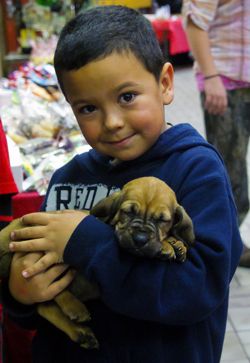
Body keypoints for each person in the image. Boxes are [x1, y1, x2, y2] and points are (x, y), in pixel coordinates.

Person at [1, 5, 243, 363]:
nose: (112, 122)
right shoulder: (68, 179)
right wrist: (19, 295)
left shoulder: (196, 171)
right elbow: (31, 266)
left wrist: (85, 241)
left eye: (127, 97)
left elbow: (198, 290)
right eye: (87, 108)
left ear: (164, 83)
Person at [182, 0, 250, 267]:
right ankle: (221, 249)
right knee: (229, 174)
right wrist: (211, 78)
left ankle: (230, 243)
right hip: (225, 83)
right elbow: (195, 22)